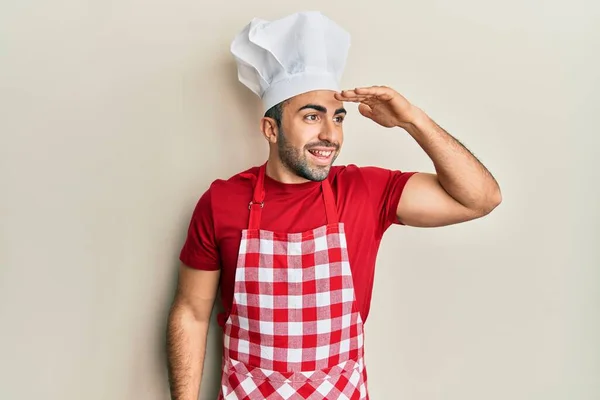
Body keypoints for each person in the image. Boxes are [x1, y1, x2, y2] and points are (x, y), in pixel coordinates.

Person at [166, 11, 501, 400]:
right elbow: (190, 312)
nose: (330, 134)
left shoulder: (365, 190)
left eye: (337, 118)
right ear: (270, 129)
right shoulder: (222, 201)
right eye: (312, 116)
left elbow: (481, 198)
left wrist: (413, 121)